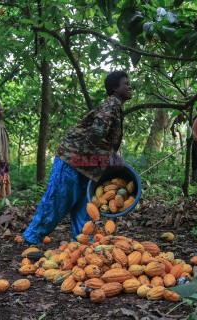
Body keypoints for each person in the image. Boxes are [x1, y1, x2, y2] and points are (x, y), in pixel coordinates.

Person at [23, 71, 132, 244]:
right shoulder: (111, 103)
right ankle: (32, 237)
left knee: (85, 204)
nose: (130, 86)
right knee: (58, 199)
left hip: (89, 163)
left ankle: (83, 242)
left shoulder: (116, 107)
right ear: (115, 88)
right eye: (126, 83)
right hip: (72, 157)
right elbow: (97, 132)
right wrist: (112, 155)